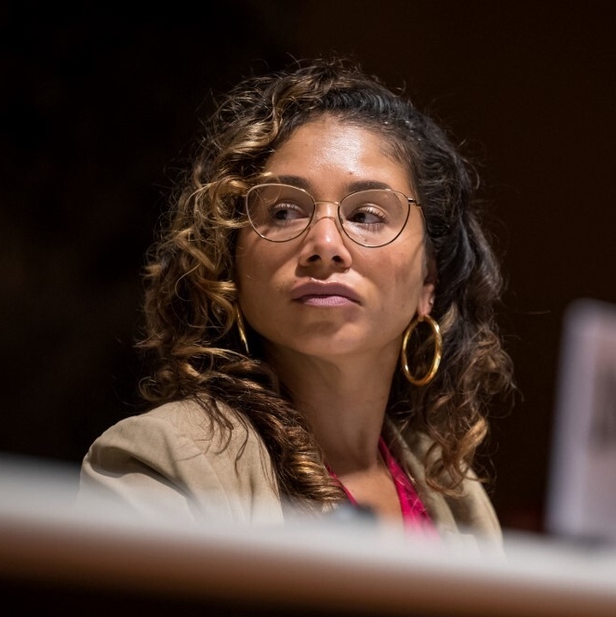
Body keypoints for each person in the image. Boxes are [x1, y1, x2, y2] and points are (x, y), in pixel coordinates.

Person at [79, 57, 514, 553]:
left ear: (428, 281)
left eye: (368, 214)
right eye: (284, 211)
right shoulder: (162, 462)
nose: (325, 242)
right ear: (230, 264)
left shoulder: (459, 498)